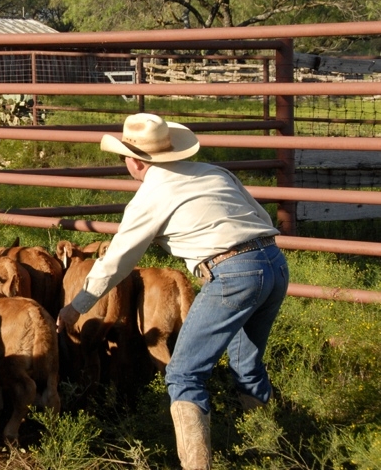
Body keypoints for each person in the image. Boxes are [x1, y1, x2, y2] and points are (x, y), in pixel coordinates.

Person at [56, 113, 288, 470]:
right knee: (245, 364)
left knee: (183, 374)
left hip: (231, 273)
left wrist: (76, 306)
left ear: (133, 161)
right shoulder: (213, 171)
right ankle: (271, 453)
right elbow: (260, 216)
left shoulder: (152, 194)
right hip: (273, 262)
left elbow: (117, 260)